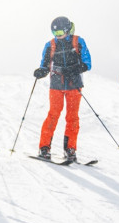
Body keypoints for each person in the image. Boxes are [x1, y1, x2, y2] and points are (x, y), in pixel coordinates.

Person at [33, 16, 92, 162]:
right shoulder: (50, 45)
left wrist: (74, 70)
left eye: (60, 32)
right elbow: (45, 65)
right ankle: (44, 147)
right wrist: (41, 71)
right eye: (55, 33)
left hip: (74, 85)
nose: (57, 36)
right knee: (53, 114)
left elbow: (87, 63)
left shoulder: (78, 41)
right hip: (56, 85)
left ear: (67, 29)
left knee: (72, 117)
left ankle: (70, 149)